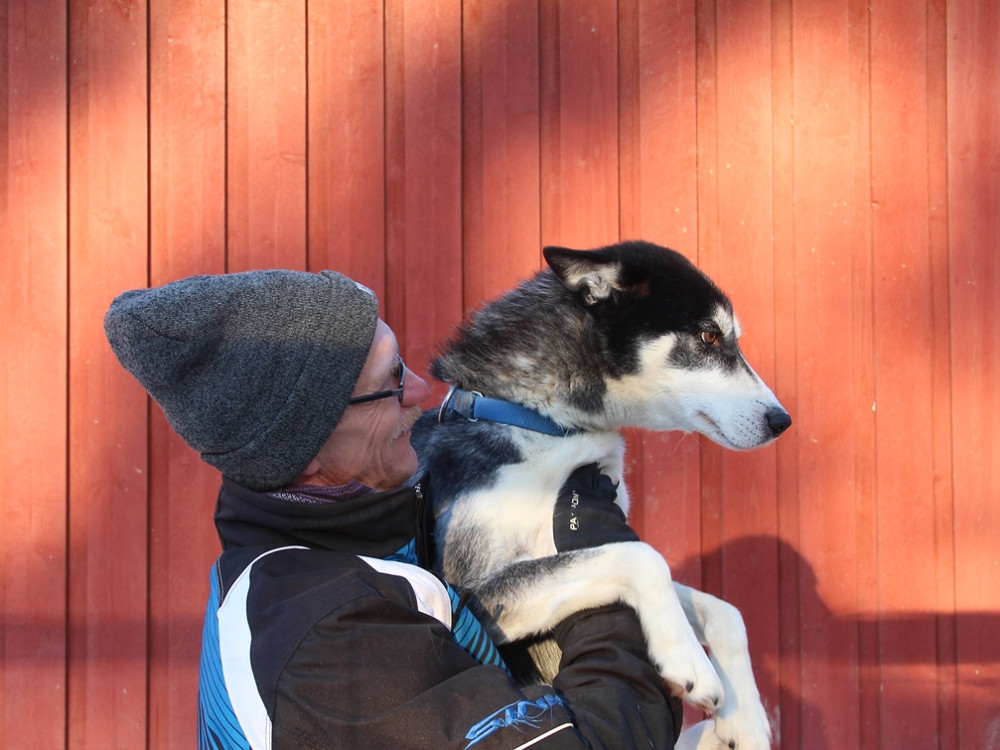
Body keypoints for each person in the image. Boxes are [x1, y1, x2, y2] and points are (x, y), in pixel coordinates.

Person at [104, 269, 682, 749]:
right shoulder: (334, 643)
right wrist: (603, 573)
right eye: (389, 384)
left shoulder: (359, 535)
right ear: (304, 451)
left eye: (402, 361)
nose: (420, 392)